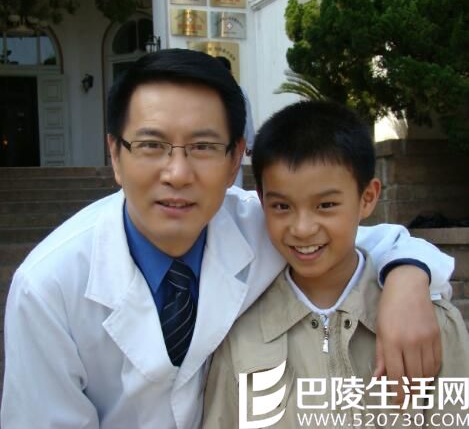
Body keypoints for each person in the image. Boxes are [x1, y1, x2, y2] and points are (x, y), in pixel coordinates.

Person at [1, 49, 453, 429]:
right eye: (152, 145)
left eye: (203, 146)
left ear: (237, 157)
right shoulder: (48, 288)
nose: (178, 173)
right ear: (115, 156)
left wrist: (407, 283)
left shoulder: (262, 223)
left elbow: (371, 239)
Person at [202, 101, 468, 428]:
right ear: (261, 200)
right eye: (282, 206)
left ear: (367, 198)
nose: (303, 228)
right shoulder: (240, 335)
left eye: (326, 205)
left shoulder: (431, 323)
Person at [215, 56, 256, 187]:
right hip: (219, 141)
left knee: (234, 172)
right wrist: (250, 143)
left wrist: (250, 143)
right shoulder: (210, 91)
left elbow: (247, 117)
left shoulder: (240, 91)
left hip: (232, 140)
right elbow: (247, 117)